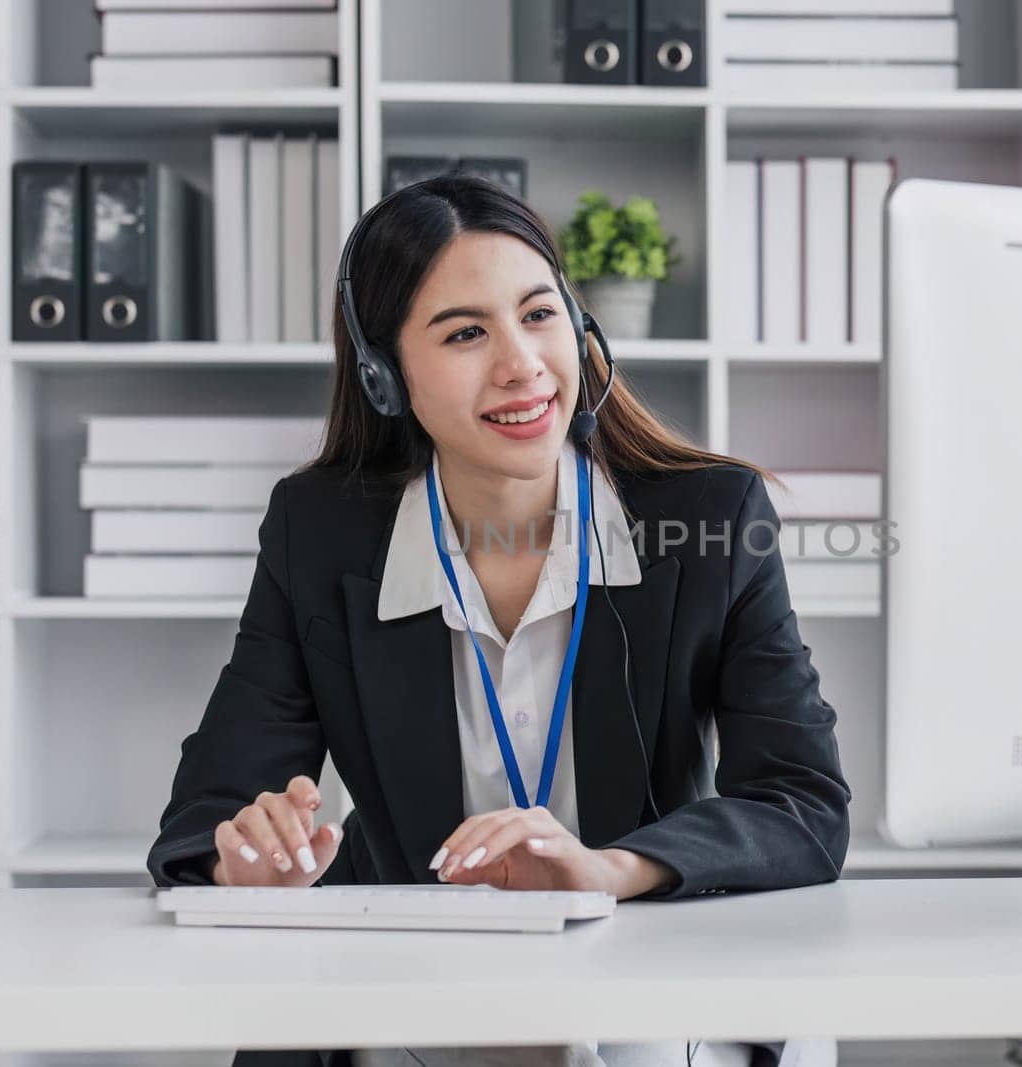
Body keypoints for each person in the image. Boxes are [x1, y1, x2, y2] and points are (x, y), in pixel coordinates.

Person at [146, 175, 852, 1067]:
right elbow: (207, 811)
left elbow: (802, 803)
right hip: (418, 995)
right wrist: (244, 859)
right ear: (386, 374)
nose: (521, 363)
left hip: (651, 973)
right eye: (466, 333)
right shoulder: (319, 532)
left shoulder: (707, 519)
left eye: (539, 314)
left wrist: (609, 870)